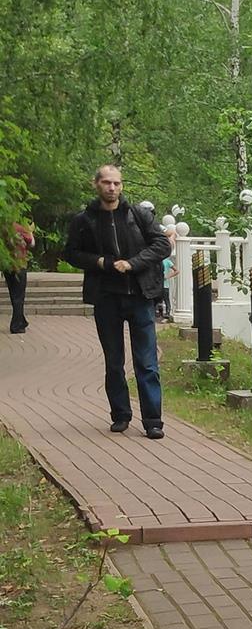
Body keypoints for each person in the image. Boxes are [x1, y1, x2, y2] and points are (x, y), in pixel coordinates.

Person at [64, 166, 171, 438]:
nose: (112, 188)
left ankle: (153, 421)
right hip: (106, 298)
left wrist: (133, 263)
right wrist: (100, 262)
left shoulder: (139, 215)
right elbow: (72, 253)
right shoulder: (84, 220)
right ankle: (121, 414)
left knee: (147, 362)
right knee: (114, 361)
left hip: (140, 296)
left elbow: (162, 246)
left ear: (122, 186)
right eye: (106, 183)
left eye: (116, 183)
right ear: (96, 184)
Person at [3, 217, 34, 333]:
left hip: (8, 266)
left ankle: (22, 321)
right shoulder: (20, 228)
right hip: (20, 265)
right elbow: (31, 243)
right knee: (19, 296)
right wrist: (30, 231)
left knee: (14, 295)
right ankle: (16, 325)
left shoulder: (4, 230)